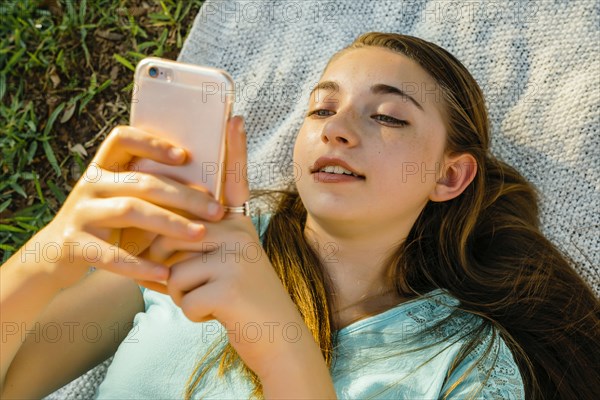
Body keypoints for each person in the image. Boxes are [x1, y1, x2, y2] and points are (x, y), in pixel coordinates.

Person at [1, 32, 598, 399]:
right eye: (321, 108)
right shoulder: (193, 243)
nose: (337, 129)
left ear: (449, 176)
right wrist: (49, 258)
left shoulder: (466, 364)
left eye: (388, 117)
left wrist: (278, 338)